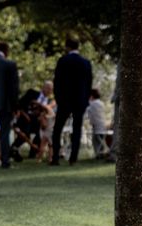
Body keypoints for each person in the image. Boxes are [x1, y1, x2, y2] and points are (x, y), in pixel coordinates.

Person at [50, 38, 92, 166]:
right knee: (77, 129)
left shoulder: (63, 61)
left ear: (67, 47)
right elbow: (89, 84)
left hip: (64, 101)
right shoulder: (86, 63)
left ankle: (55, 158)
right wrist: (85, 100)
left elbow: (56, 82)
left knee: (57, 129)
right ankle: (73, 158)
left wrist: (58, 98)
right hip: (79, 101)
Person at [87, 88, 107, 159]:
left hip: (97, 127)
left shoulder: (91, 104)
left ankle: (98, 154)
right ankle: (101, 153)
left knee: (95, 140)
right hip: (103, 126)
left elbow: (90, 117)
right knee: (100, 140)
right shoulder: (101, 103)